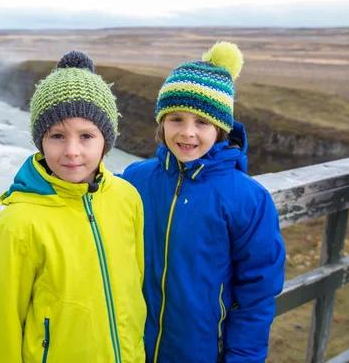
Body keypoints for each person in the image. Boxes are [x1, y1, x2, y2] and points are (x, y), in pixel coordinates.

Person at [121, 42, 286, 363]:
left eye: (202, 122)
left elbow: (257, 295)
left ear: (221, 128)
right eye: (176, 119)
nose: (187, 133)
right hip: (132, 348)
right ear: (161, 122)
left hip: (202, 353)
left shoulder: (248, 199)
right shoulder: (135, 180)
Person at [0, 51, 146, 363]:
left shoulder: (127, 197)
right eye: (57, 135)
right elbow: (0, 325)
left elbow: (134, 285)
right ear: (40, 141)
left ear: (106, 142)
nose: (72, 151)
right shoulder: (19, 223)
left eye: (86, 136)